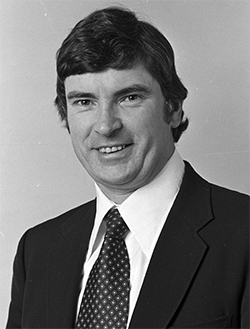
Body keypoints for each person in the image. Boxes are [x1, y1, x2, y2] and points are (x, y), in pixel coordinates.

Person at [6, 6, 249, 329]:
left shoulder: (243, 236)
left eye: (129, 97)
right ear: (65, 115)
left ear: (173, 108)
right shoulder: (37, 251)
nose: (105, 126)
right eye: (84, 102)